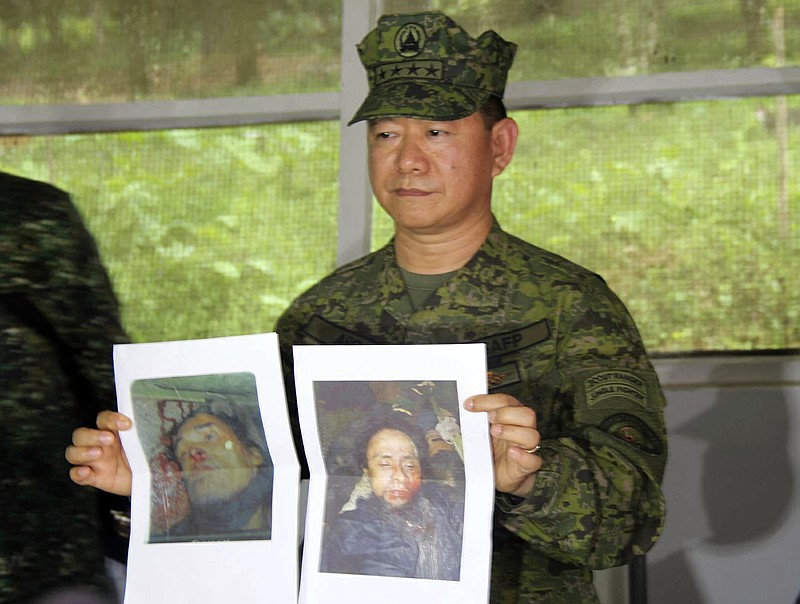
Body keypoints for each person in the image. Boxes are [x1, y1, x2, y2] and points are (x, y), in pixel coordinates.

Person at [67, 10, 667, 603]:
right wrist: (148, 483)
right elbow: (269, 497)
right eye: (386, 134)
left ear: (500, 146)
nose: (407, 159)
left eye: (437, 132)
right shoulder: (321, 315)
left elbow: (633, 519)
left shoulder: (571, 306)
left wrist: (531, 476)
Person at [1, 171, 130, 603]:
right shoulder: (36, 210)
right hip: (50, 549)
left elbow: (109, 370)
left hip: (44, 544)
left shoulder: (33, 213)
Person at [320, 414, 463, 580]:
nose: (400, 476)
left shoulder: (446, 503)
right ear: (367, 470)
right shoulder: (348, 531)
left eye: (409, 465)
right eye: (385, 464)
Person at [153, 409, 274, 541]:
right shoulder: (168, 544)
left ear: (254, 455)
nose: (193, 452)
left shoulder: (293, 517)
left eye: (209, 437)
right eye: (183, 453)